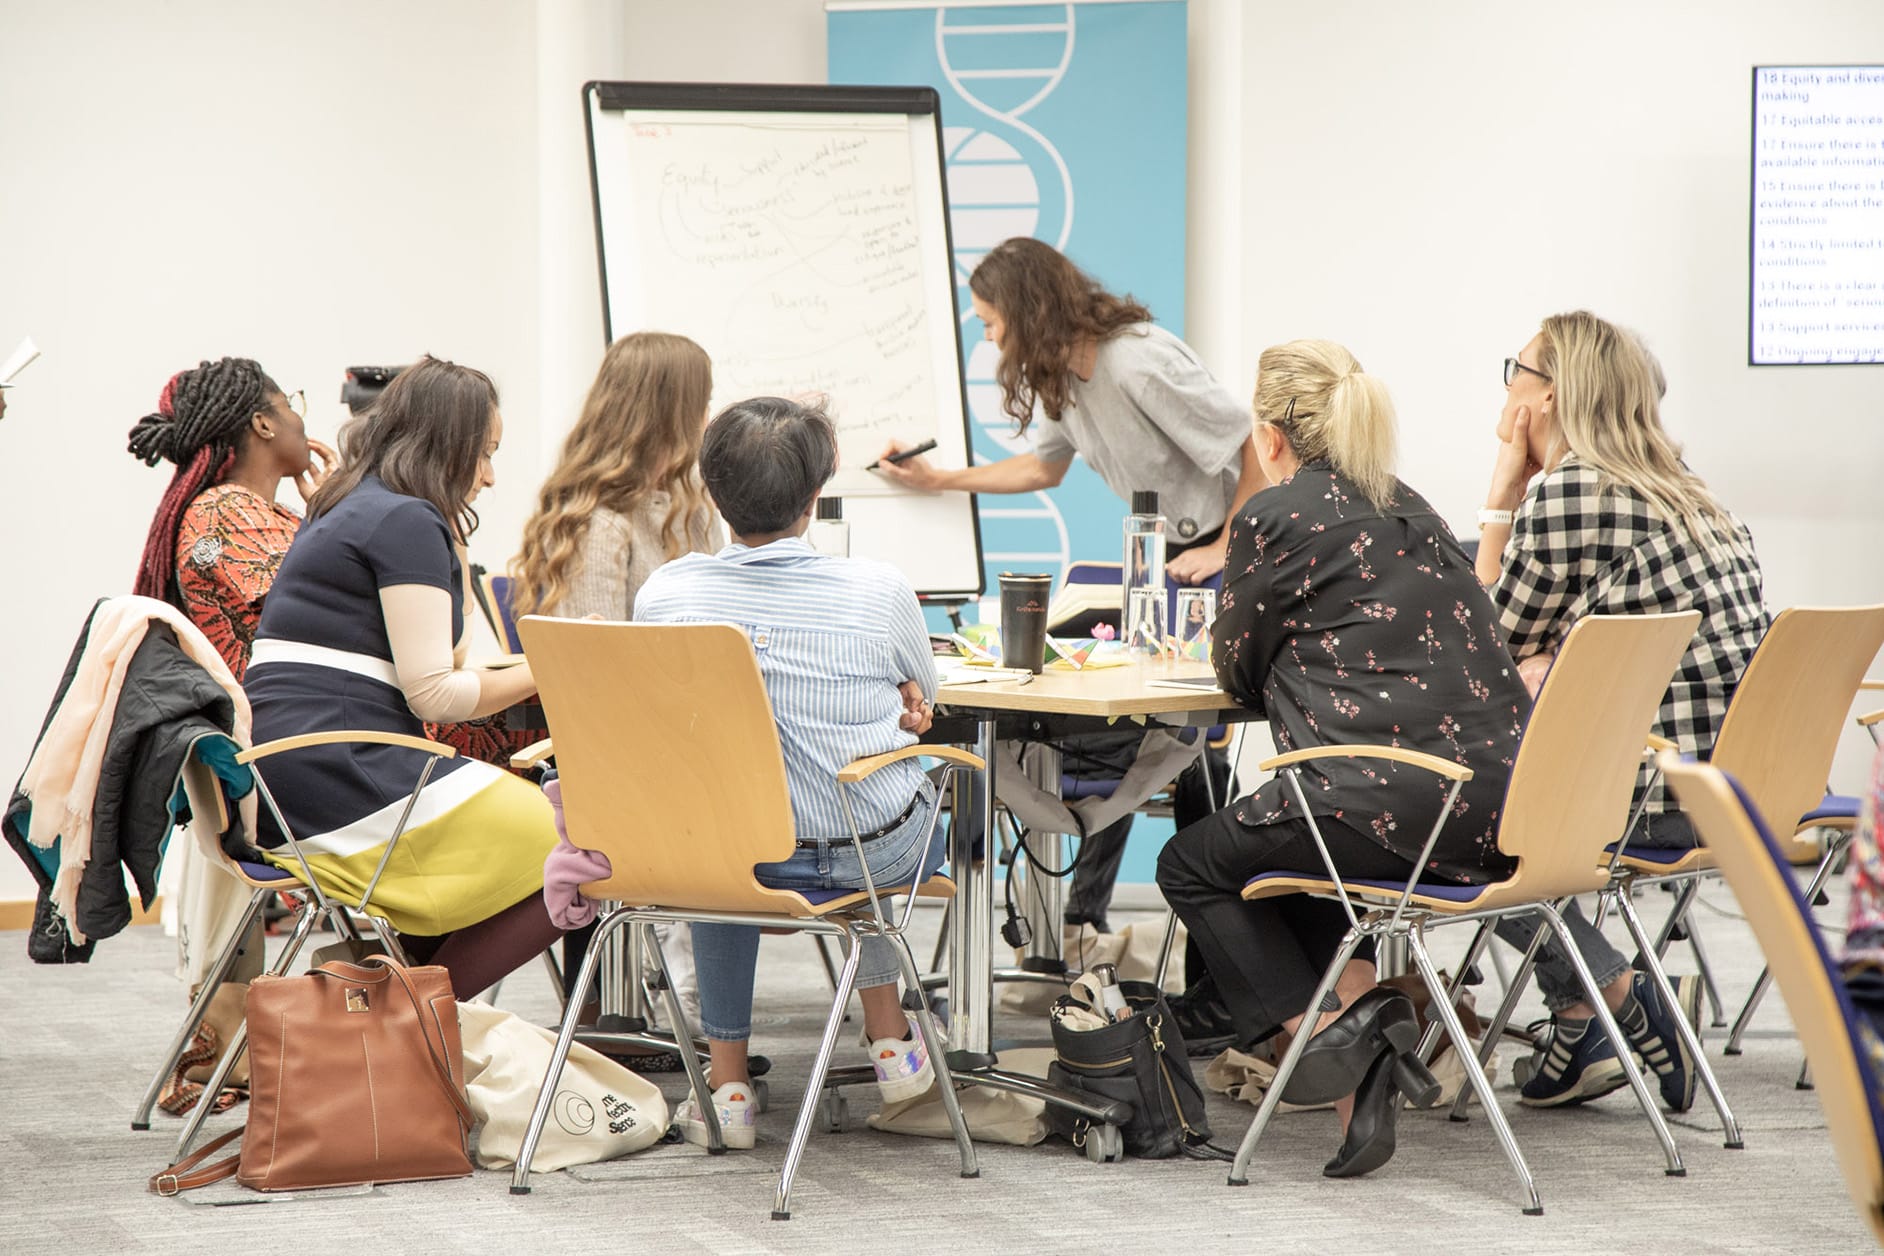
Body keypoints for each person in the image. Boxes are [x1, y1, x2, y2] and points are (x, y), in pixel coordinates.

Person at [1155, 339, 1531, 1178]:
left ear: (1270, 437)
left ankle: (1336, 1041)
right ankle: (1357, 1053)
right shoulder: (1414, 507)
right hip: (1504, 805)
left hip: (1386, 806)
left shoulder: (1275, 514)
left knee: (1194, 863)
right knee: (1293, 851)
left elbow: (1234, 670)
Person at [873, 237, 1251, 948]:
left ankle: (1203, 946)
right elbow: (1042, 470)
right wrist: (938, 481)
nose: (987, 337)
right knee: (1126, 723)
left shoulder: (1138, 359)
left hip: (1228, 545)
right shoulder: (1064, 378)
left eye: (990, 322)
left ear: (1025, 310)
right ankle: (1081, 922)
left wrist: (1226, 546)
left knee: (1188, 736)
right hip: (1172, 553)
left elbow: (1253, 446)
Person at [1476, 311, 1768, 1112]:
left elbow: (1480, 656)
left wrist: (1503, 489)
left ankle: (1613, 987)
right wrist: (1542, 662)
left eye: (1517, 370)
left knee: (1461, 828)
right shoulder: (1692, 493)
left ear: (1551, 394)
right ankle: (1580, 1023)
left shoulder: (1574, 490)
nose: (1508, 388)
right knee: (1508, 804)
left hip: (1651, 797)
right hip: (1731, 791)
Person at [635, 395, 945, 1149]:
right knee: (895, 796)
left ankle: (729, 1086)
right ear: (817, 494)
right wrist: (905, 704)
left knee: (723, 822)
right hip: (867, 855)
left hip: (732, 862)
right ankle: (888, 1033)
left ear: (710, 492)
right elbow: (926, 701)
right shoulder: (879, 589)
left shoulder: (666, 595)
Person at [243, 356, 560, 1000]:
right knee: (582, 849)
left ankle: (395, 1018)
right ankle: (413, 1025)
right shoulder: (403, 519)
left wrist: (454, 533)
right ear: (447, 445)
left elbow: (453, 653)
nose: (491, 477)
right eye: (484, 454)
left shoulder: (355, 505)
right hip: (345, 768)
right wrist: (551, 667)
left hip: (289, 773)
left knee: (549, 842)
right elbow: (440, 694)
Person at [510, 330, 724, 1027]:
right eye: (702, 402)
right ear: (674, 410)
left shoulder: (683, 508)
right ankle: (694, 1013)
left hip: (680, 728)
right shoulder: (600, 525)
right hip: (624, 755)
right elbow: (594, 675)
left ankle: (706, 1012)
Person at [126, 357, 333, 678]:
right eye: (290, 404)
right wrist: (337, 515)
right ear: (263, 424)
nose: (299, 419)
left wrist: (327, 514)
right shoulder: (226, 512)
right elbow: (328, 604)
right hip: (286, 718)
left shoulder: (259, 511)